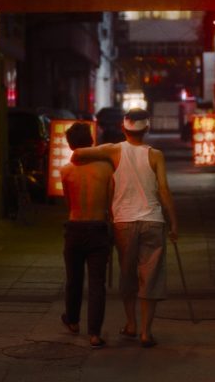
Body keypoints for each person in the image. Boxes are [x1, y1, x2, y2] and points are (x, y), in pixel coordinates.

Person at [72, 108, 178, 348]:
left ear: (123, 128)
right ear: (147, 129)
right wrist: (174, 222)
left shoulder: (114, 150)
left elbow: (78, 154)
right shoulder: (156, 155)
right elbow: (163, 189)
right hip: (153, 222)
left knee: (128, 275)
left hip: (124, 223)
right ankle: (146, 333)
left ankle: (131, 324)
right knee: (150, 277)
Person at [59, 122, 114, 349]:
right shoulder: (106, 169)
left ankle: (72, 320)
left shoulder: (66, 171)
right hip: (98, 227)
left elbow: (68, 202)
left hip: (74, 227)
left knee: (74, 279)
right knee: (97, 283)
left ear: (70, 145)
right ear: (91, 141)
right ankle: (94, 334)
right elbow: (111, 201)